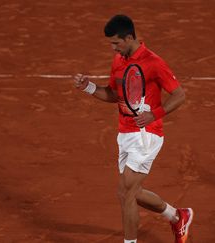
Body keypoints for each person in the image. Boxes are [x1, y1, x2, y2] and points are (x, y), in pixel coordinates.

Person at [73, 14, 193, 243]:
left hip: (147, 134)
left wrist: (154, 114)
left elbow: (179, 95)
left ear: (129, 37)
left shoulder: (153, 62)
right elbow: (113, 94)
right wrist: (87, 87)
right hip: (126, 133)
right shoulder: (119, 60)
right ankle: (177, 216)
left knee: (125, 193)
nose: (113, 48)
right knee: (132, 192)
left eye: (116, 43)